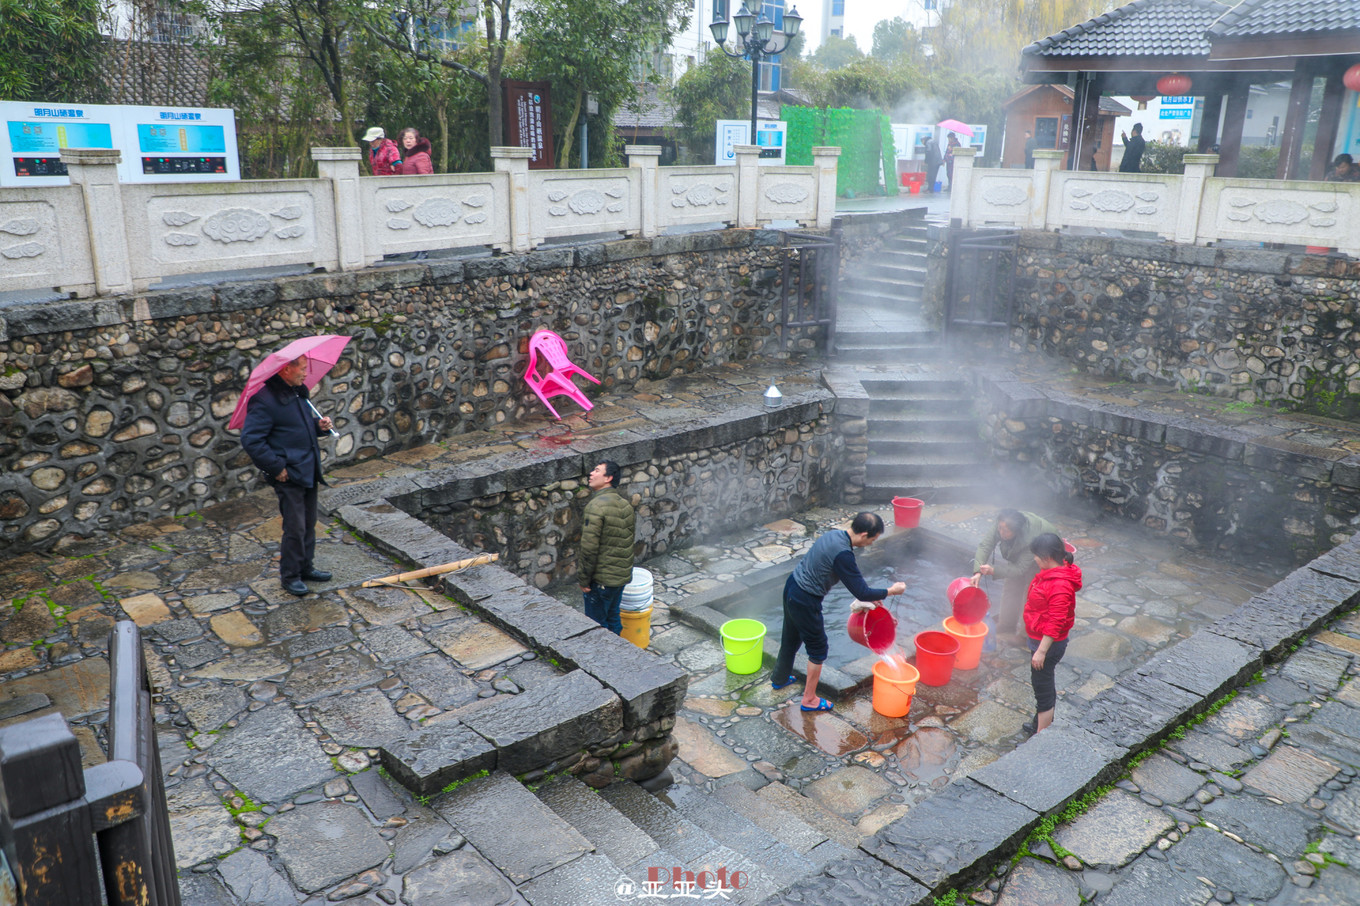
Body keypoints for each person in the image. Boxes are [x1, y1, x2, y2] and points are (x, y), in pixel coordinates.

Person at [772, 512, 907, 712]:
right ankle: (809, 700)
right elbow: (860, 591)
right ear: (863, 535)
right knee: (818, 649)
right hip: (806, 598)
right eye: (873, 539)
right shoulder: (843, 554)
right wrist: (891, 591)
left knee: (791, 637)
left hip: (793, 587)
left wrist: (871, 596)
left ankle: (779, 678)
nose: (871, 543)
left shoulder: (833, 536)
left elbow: (855, 583)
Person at [241, 355, 334, 597]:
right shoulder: (264, 401)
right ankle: (290, 576)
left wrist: (318, 427)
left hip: (307, 468)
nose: (306, 374)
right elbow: (251, 440)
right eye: (302, 369)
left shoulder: (297, 394)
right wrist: (276, 467)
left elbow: (296, 428)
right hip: (289, 474)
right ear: (285, 370)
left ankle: (305, 568)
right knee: (295, 528)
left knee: (309, 523)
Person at [1022, 533, 1082, 736]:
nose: (1035, 559)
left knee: (1043, 689)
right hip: (1041, 641)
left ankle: (1041, 737)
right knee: (1043, 683)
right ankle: (1038, 724)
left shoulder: (1060, 585)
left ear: (1047, 556)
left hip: (1048, 645)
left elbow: (1056, 622)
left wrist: (1041, 651)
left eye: (1036, 556)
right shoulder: (1052, 572)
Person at [970, 509, 1060, 640]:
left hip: (1044, 555)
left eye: (1005, 531)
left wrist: (993, 570)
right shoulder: (1003, 524)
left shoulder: (1031, 538)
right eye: (1000, 528)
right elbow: (985, 546)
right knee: (1011, 587)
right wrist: (978, 571)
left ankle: (1025, 635)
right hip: (1024, 554)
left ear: (1016, 531)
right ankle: (1006, 624)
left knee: (1032, 594)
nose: (1001, 533)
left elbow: (1020, 569)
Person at [578, 460, 636, 635]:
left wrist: (584, 580)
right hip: (619, 578)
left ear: (608, 478)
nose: (591, 473)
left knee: (597, 627)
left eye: (596, 471)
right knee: (613, 618)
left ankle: (603, 660)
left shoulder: (596, 506)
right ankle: (618, 654)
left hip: (602, 580)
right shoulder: (625, 504)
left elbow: (589, 547)